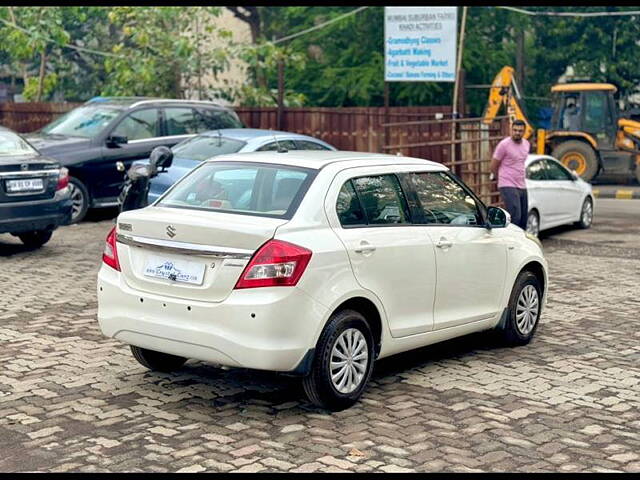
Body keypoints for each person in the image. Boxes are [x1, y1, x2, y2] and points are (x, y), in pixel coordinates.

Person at [490, 119, 530, 230]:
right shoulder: (504, 145)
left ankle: (521, 243)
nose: (517, 133)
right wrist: (499, 180)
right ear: (511, 130)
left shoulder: (526, 144)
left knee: (523, 218)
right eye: (515, 130)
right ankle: (511, 242)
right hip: (507, 183)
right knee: (515, 216)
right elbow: (493, 165)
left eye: (520, 131)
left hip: (521, 184)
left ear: (524, 131)